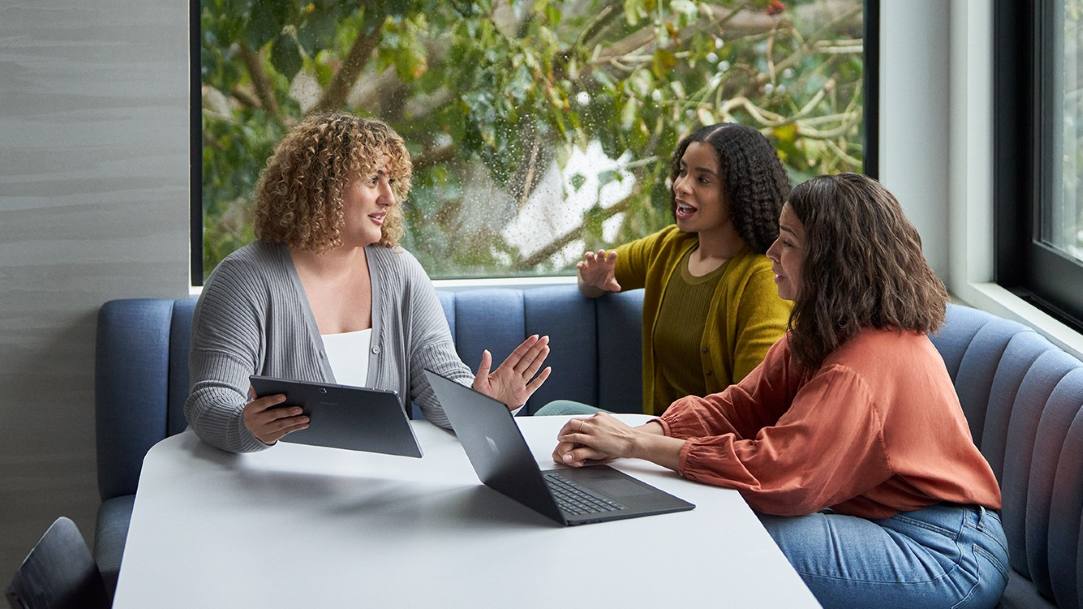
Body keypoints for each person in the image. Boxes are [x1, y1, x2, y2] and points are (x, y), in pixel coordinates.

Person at [552, 174, 1009, 608]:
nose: (771, 251)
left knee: (725, 537)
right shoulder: (822, 331)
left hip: (946, 554)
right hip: (878, 523)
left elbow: (783, 479)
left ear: (831, 262)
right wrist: (653, 430)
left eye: (788, 242)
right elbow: (740, 407)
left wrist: (638, 444)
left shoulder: (862, 365)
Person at [185, 112, 551, 453]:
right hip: (266, 494)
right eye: (372, 179)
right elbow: (210, 399)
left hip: (378, 495)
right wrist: (245, 426)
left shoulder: (401, 272)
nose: (389, 197)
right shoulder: (244, 279)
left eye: (391, 181)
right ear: (320, 187)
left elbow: (440, 388)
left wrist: (483, 403)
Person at [538, 123, 791, 417]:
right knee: (555, 413)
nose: (681, 186)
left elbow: (752, 409)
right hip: (654, 438)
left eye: (703, 179)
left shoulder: (762, 279)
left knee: (554, 414)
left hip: (704, 449)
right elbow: (592, 277)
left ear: (739, 192)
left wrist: (657, 443)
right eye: (682, 171)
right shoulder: (669, 247)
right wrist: (592, 281)